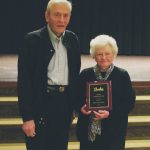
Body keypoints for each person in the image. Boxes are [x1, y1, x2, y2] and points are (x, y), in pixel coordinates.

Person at [17, 0, 81, 150]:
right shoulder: (32, 40)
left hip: (64, 106)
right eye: (57, 15)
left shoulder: (73, 39)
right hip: (41, 105)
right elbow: (24, 82)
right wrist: (27, 118)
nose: (61, 20)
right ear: (47, 16)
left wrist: (74, 106)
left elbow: (75, 76)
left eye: (66, 15)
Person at [76, 34, 135, 150]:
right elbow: (76, 98)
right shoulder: (85, 74)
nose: (103, 57)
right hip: (88, 133)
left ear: (114, 55)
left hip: (114, 132)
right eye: (99, 54)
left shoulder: (122, 75)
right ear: (93, 56)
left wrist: (110, 113)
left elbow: (129, 103)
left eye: (107, 53)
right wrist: (80, 108)